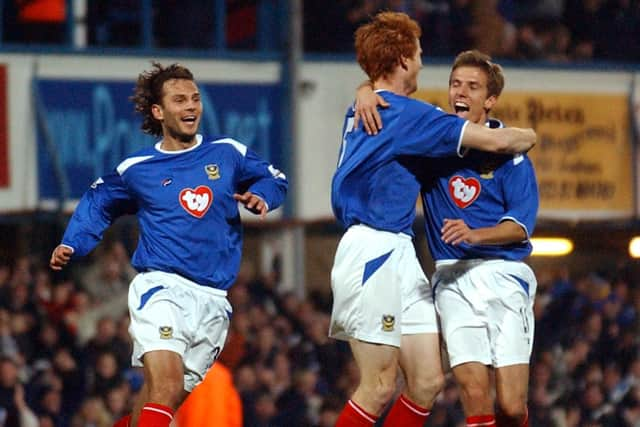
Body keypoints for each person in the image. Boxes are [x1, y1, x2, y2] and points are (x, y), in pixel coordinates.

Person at [49, 62, 288, 427]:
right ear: (159, 112)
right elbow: (99, 201)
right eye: (179, 100)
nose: (191, 106)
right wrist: (74, 241)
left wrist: (261, 196)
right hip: (163, 289)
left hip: (213, 300)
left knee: (160, 402)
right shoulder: (138, 168)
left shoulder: (227, 152)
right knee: (165, 387)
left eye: (194, 98)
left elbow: (274, 178)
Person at [330, 12, 536, 427]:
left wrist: (364, 88)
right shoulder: (407, 114)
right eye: (420, 53)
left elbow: (374, 96)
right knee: (378, 385)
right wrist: (528, 137)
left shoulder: (370, 107)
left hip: (400, 251)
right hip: (372, 249)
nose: (424, 63)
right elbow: (499, 139)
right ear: (404, 58)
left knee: (426, 381)